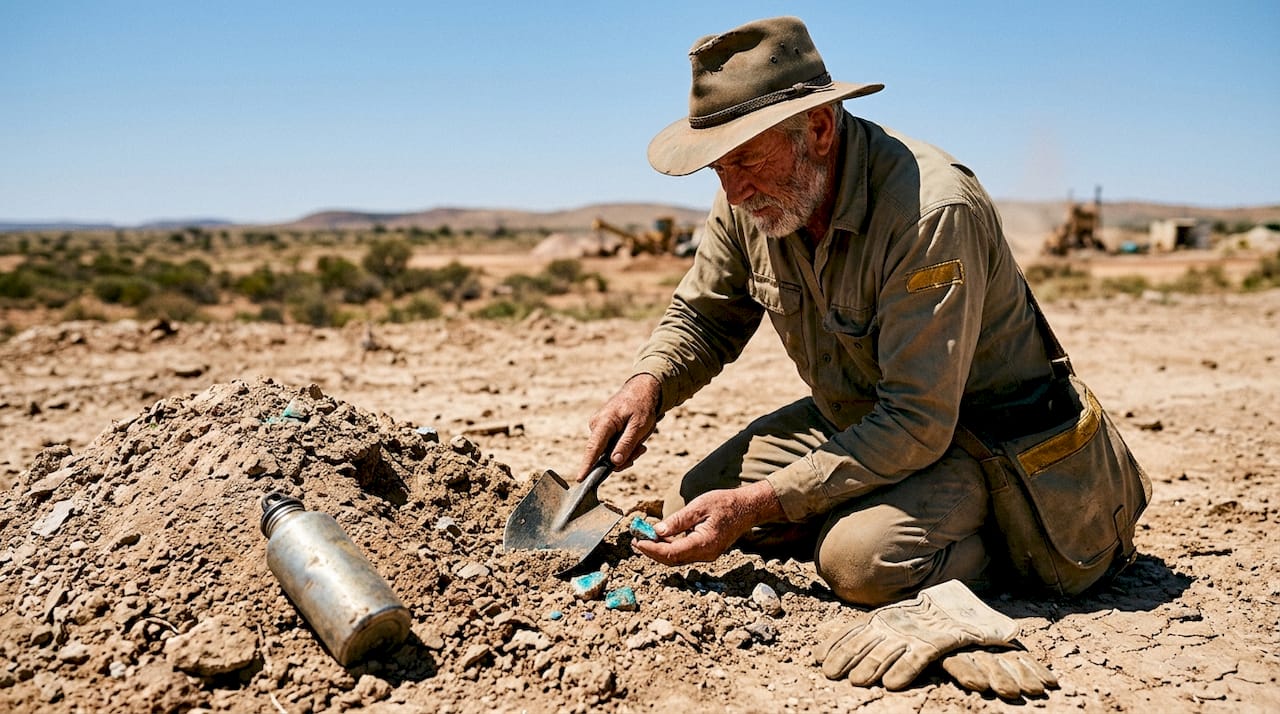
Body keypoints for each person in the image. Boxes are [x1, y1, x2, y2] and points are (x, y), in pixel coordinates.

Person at [577, 16, 1057, 610]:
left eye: (746, 161)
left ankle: (999, 545)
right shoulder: (751, 196)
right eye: (718, 169)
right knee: (693, 504)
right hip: (859, 414)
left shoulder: (929, 212)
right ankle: (852, 508)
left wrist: (763, 501)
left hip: (978, 442)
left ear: (821, 128)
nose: (733, 192)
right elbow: (705, 317)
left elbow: (917, 421)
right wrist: (646, 385)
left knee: (858, 563)